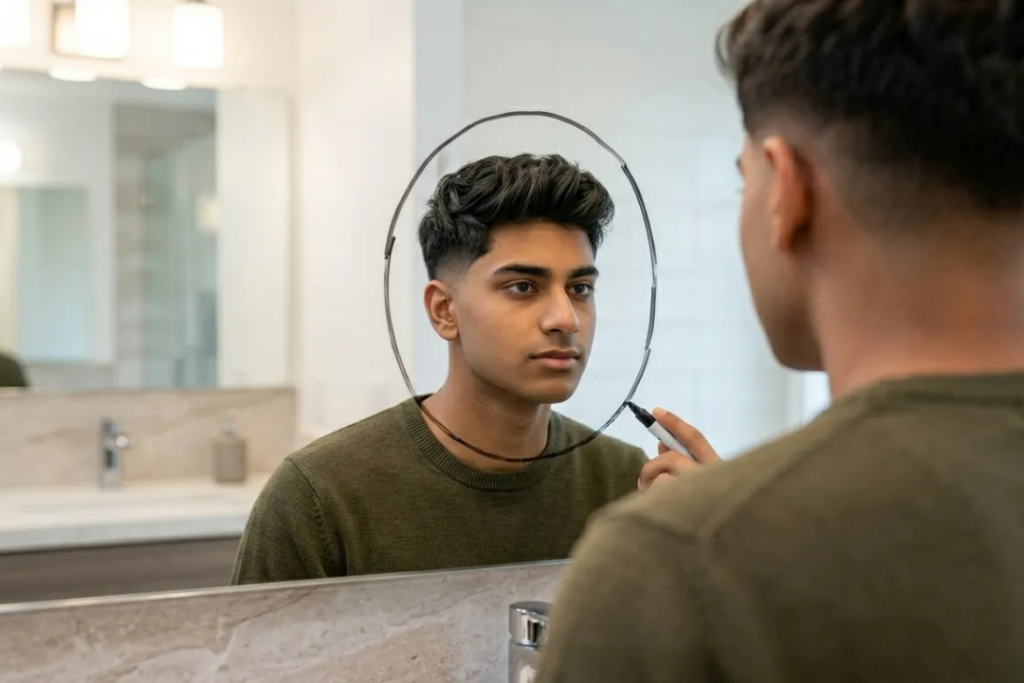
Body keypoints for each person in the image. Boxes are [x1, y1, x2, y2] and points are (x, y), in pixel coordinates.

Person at [538, 0, 1024, 680]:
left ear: (785, 191)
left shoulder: (670, 566)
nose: (562, 317)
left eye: (744, 181)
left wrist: (729, 533)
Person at [232, 154, 647, 583]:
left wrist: (706, 538)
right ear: (444, 310)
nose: (566, 319)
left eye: (580, 288)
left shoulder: (627, 482)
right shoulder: (318, 497)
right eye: (523, 287)